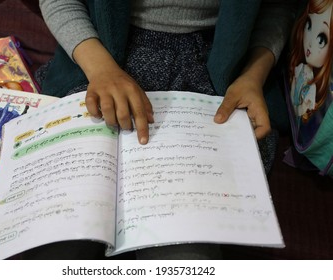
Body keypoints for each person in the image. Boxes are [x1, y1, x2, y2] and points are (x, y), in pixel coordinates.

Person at [30, 0, 297, 259]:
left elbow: (277, 7)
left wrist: (252, 76)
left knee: (184, 255)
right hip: (99, 58)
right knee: (59, 239)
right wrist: (101, 68)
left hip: (216, 73)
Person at [289, 0, 333, 146]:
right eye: (308, 25)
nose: (309, 43)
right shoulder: (302, 69)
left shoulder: (313, 87)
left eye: (321, 39)